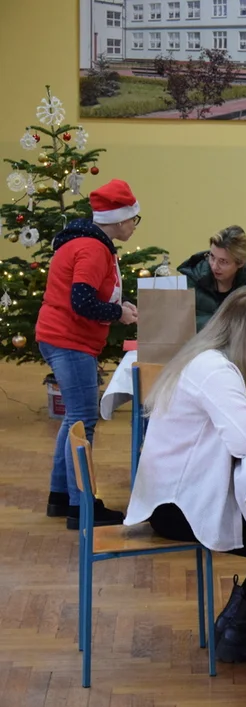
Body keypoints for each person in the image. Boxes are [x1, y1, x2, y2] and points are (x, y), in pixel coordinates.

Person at [124, 286, 246, 664]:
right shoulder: (215, 369)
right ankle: (240, 629)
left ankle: (240, 625)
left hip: (180, 492)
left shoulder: (210, 359)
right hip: (177, 505)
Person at [36, 179, 140, 530]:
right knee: (83, 420)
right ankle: (82, 506)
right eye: (133, 219)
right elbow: (80, 301)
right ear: (117, 219)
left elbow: (88, 294)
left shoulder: (87, 243)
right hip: (69, 340)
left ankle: (60, 496)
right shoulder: (93, 249)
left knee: (74, 420)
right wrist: (118, 314)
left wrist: (116, 305)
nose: (134, 225)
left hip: (61, 337)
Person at [179, 225, 246, 331]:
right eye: (212, 256)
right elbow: (182, 322)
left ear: (240, 263)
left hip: (242, 346)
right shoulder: (192, 278)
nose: (214, 266)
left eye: (223, 261)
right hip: (199, 345)